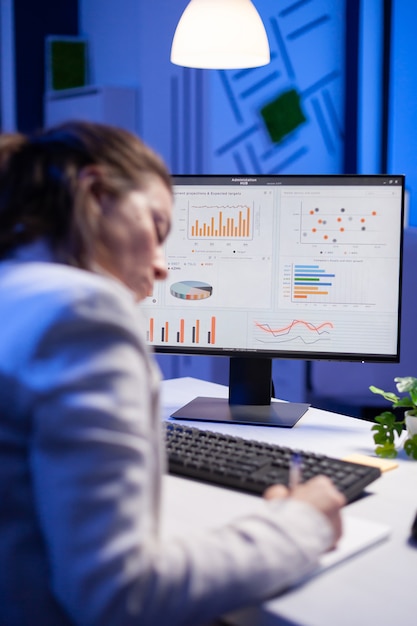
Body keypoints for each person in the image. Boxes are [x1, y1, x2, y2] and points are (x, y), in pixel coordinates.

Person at [0, 121, 345, 626]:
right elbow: (121, 596)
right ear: (96, 192)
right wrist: (303, 524)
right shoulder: (80, 310)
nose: (163, 267)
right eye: (158, 228)